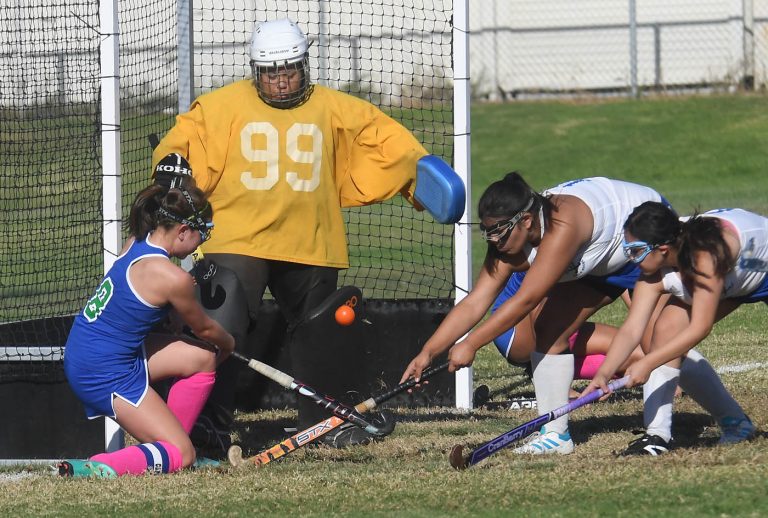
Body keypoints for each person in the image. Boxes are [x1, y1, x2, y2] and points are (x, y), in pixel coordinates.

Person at [151, 18, 448, 448]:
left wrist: (419, 175)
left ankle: (332, 421)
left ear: (304, 64)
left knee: (326, 325)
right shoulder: (218, 108)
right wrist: (170, 165)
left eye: (289, 68)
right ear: (256, 71)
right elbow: (181, 145)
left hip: (311, 238)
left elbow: (385, 140)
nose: (281, 80)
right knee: (221, 319)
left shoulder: (335, 107)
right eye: (270, 72)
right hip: (238, 238)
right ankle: (205, 422)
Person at [401, 173, 675, 455]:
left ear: (527, 221)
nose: (492, 240)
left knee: (661, 340)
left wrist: (471, 344)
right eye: (487, 232)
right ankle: (556, 437)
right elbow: (476, 301)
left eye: (498, 231)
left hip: (640, 241)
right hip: (595, 259)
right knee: (549, 329)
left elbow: (526, 300)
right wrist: (429, 351)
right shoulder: (508, 243)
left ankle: (674, 431)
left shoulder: (563, 225)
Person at [59, 184, 235, 477]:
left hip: (92, 350)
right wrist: (229, 343)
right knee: (183, 452)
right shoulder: (171, 277)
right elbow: (205, 328)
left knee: (202, 359)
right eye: (201, 234)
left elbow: (138, 298)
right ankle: (96, 467)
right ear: (181, 231)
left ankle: (170, 448)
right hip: (103, 370)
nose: (201, 241)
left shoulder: (136, 241)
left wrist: (175, 311)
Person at [582, 202, 760, 455]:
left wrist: (647, 362)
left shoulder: (705, 257)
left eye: (636, 251)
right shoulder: (653, 270)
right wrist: (604, 372)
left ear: (663, 249)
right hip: (733, 278)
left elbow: (700, 327)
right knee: (666, 331)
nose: (632, 259)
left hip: (755, 269)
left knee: (664, 344)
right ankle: (660, 436)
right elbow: (633, 328)